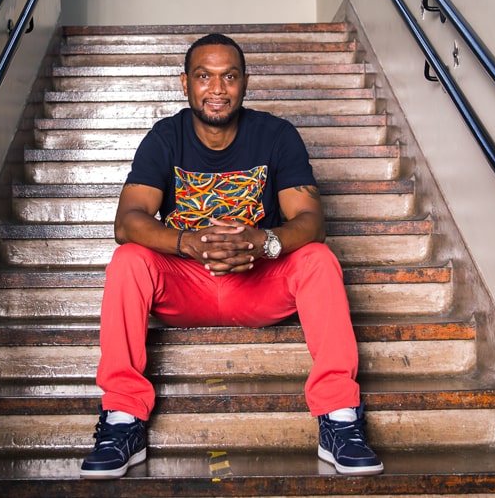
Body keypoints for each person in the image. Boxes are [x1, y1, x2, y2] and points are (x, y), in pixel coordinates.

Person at [79, 33, 383, 479]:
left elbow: (311, 220)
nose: (217, 89)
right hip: (188, 285)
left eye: (229, 77)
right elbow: (127, 222)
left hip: (258, 282)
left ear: (245, 83)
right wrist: (190, 243)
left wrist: (262, 243)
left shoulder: (276, 135)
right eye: (204, 76)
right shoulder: (166, 137)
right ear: (185, 83)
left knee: (318, 257)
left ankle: (339, 418)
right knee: (128, 260)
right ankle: (123, 420)